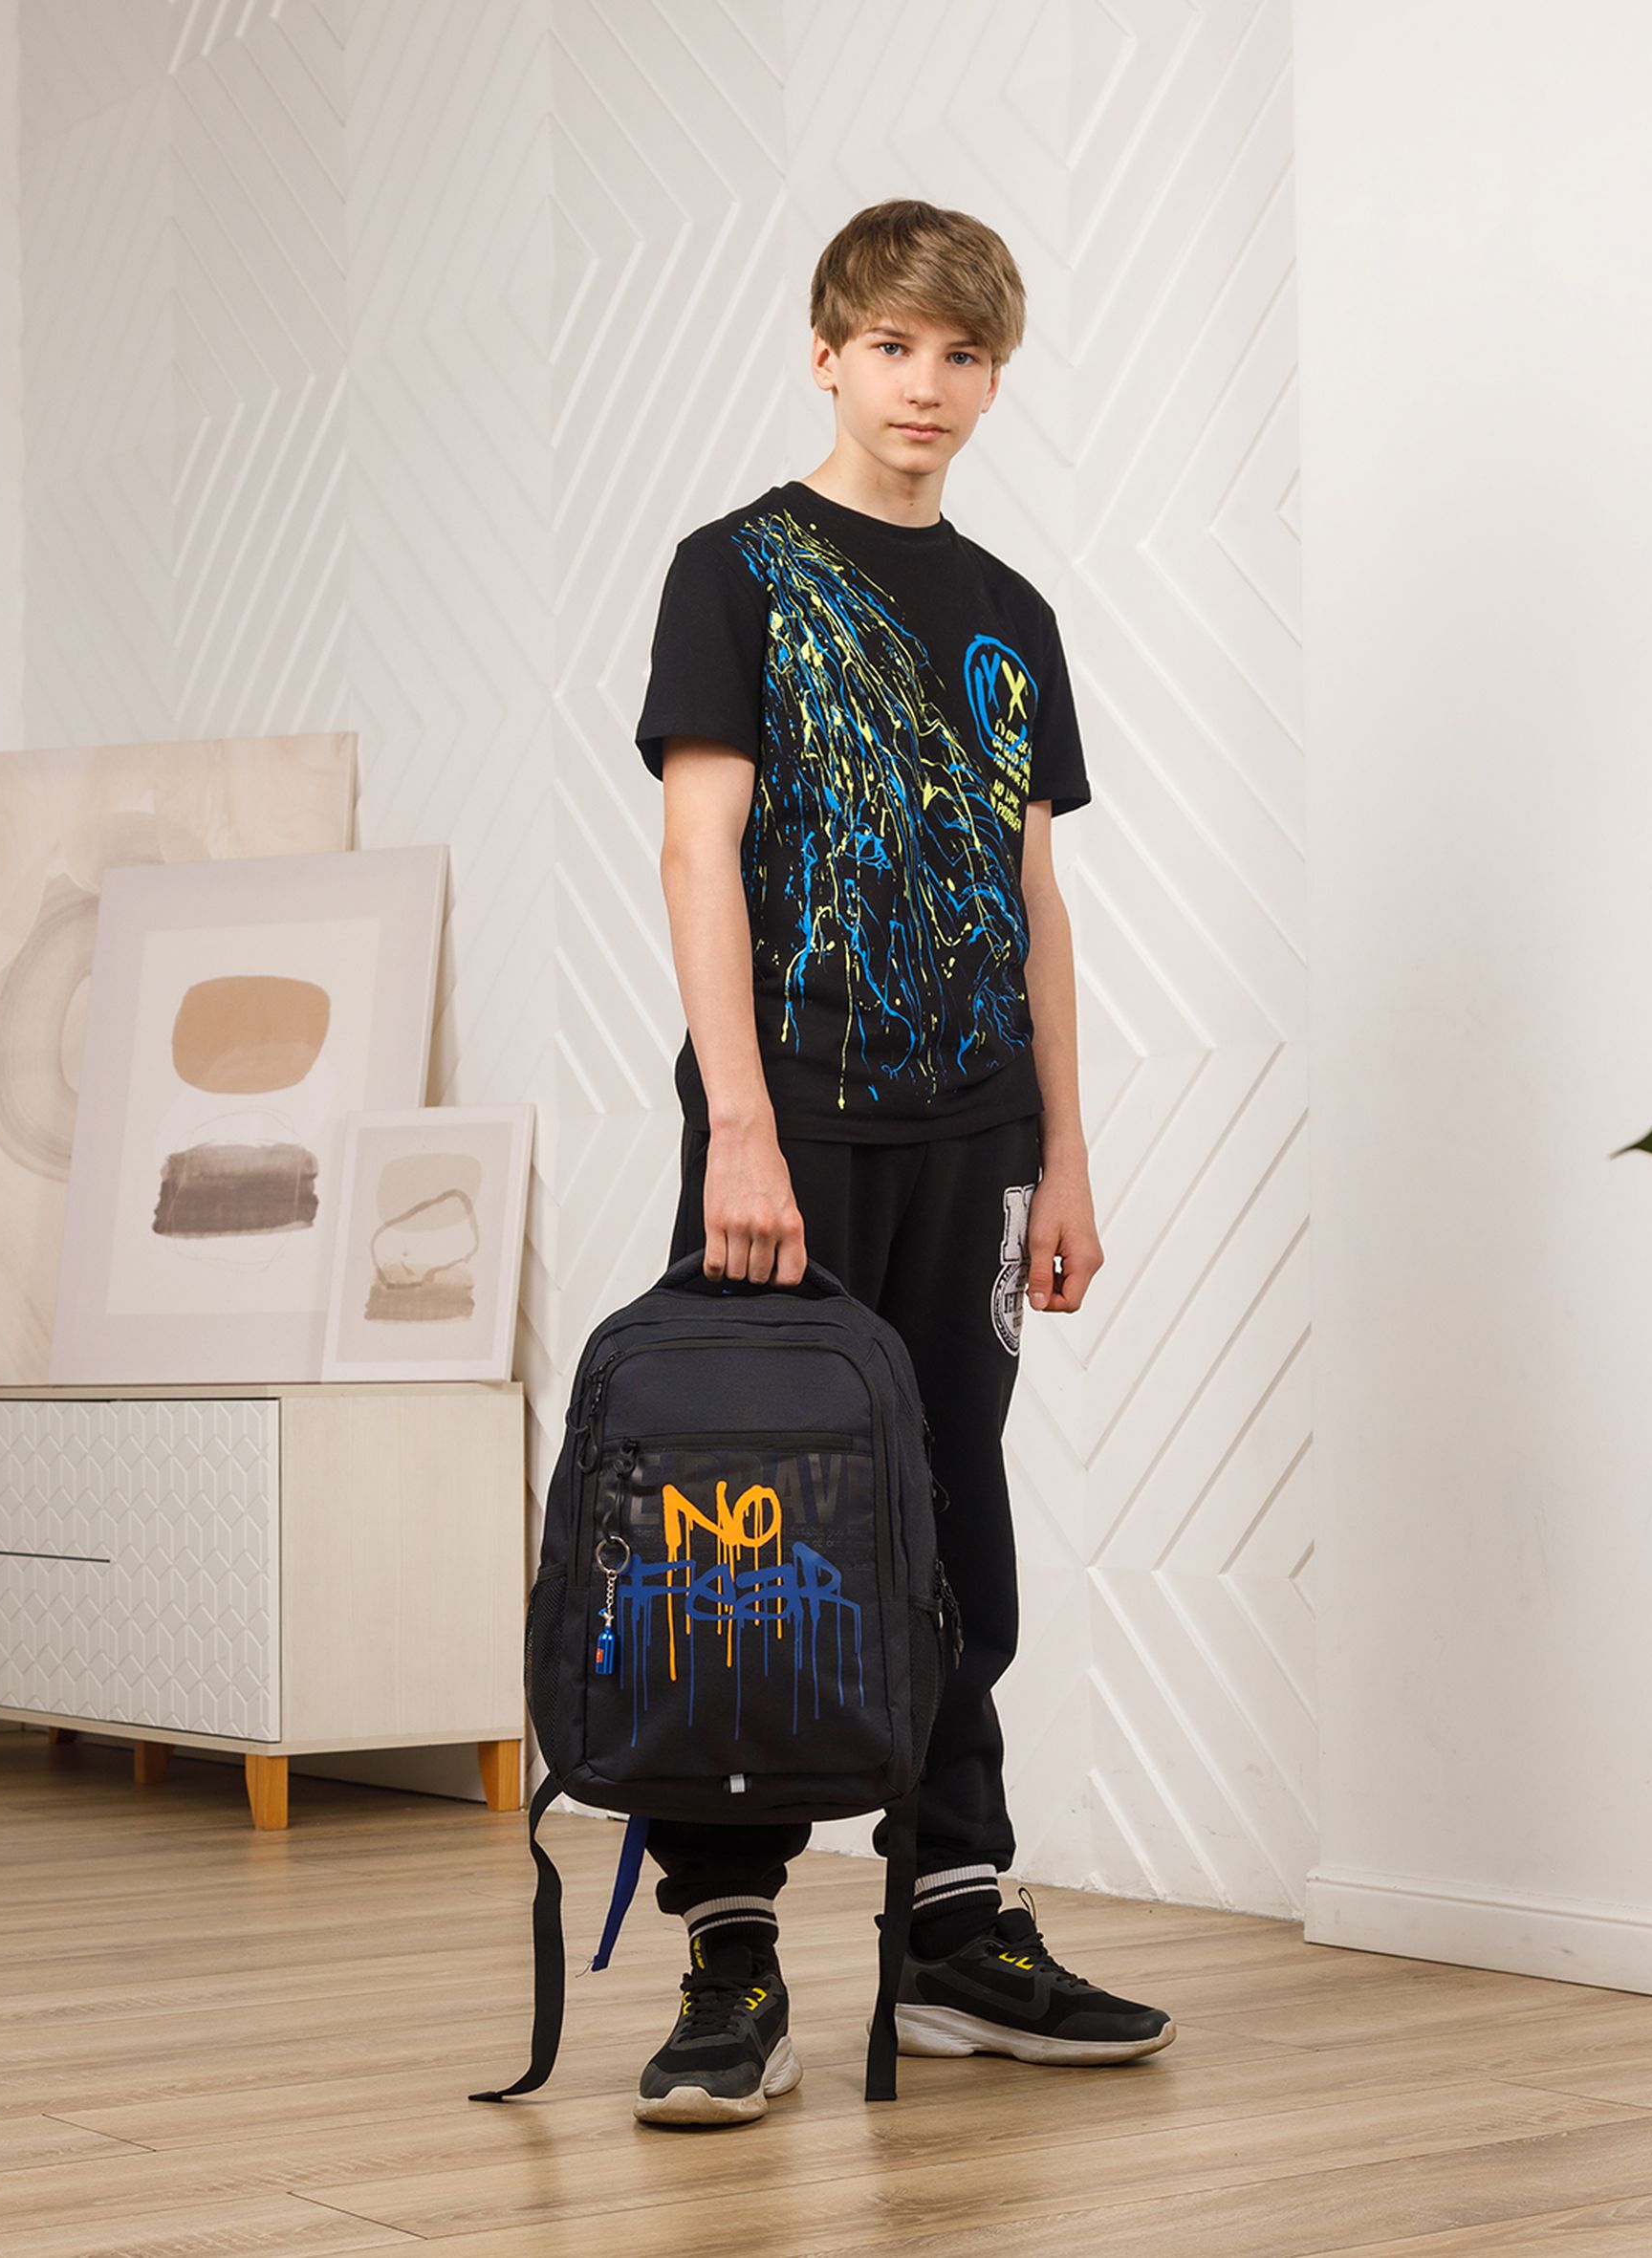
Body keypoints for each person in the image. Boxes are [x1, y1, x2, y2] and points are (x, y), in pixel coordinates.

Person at [627, 197, 1175, 2129]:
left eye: (960, 355)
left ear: (993, 376)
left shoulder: (1012, 613)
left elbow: (1033, 899)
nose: (923, 386)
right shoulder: (735, 571)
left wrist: (1069, 1153)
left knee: (953, 1514)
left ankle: (949, 1918)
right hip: (789, 1117)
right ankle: (729, 1947)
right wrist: (740, 1123)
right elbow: (698, 849)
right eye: (889, 347)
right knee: (752, 1521)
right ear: (825, 354)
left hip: (982, 1131)